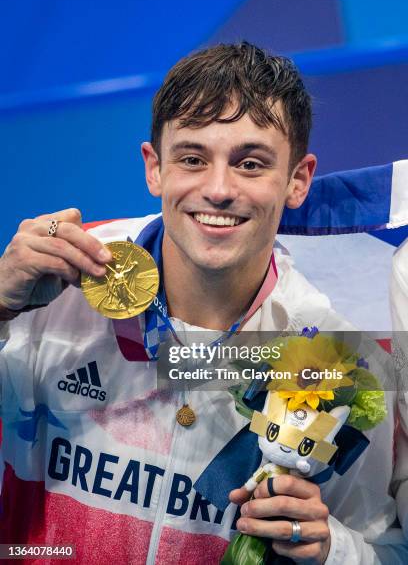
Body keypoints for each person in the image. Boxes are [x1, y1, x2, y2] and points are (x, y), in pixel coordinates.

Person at [0, 42, 406, 564]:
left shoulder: (339, 359)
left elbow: (390, 548)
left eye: (251, 163)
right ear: (154, 168)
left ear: (297, 181)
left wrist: (332, 550)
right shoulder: (51, 288)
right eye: (193, 158)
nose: (218, 189)